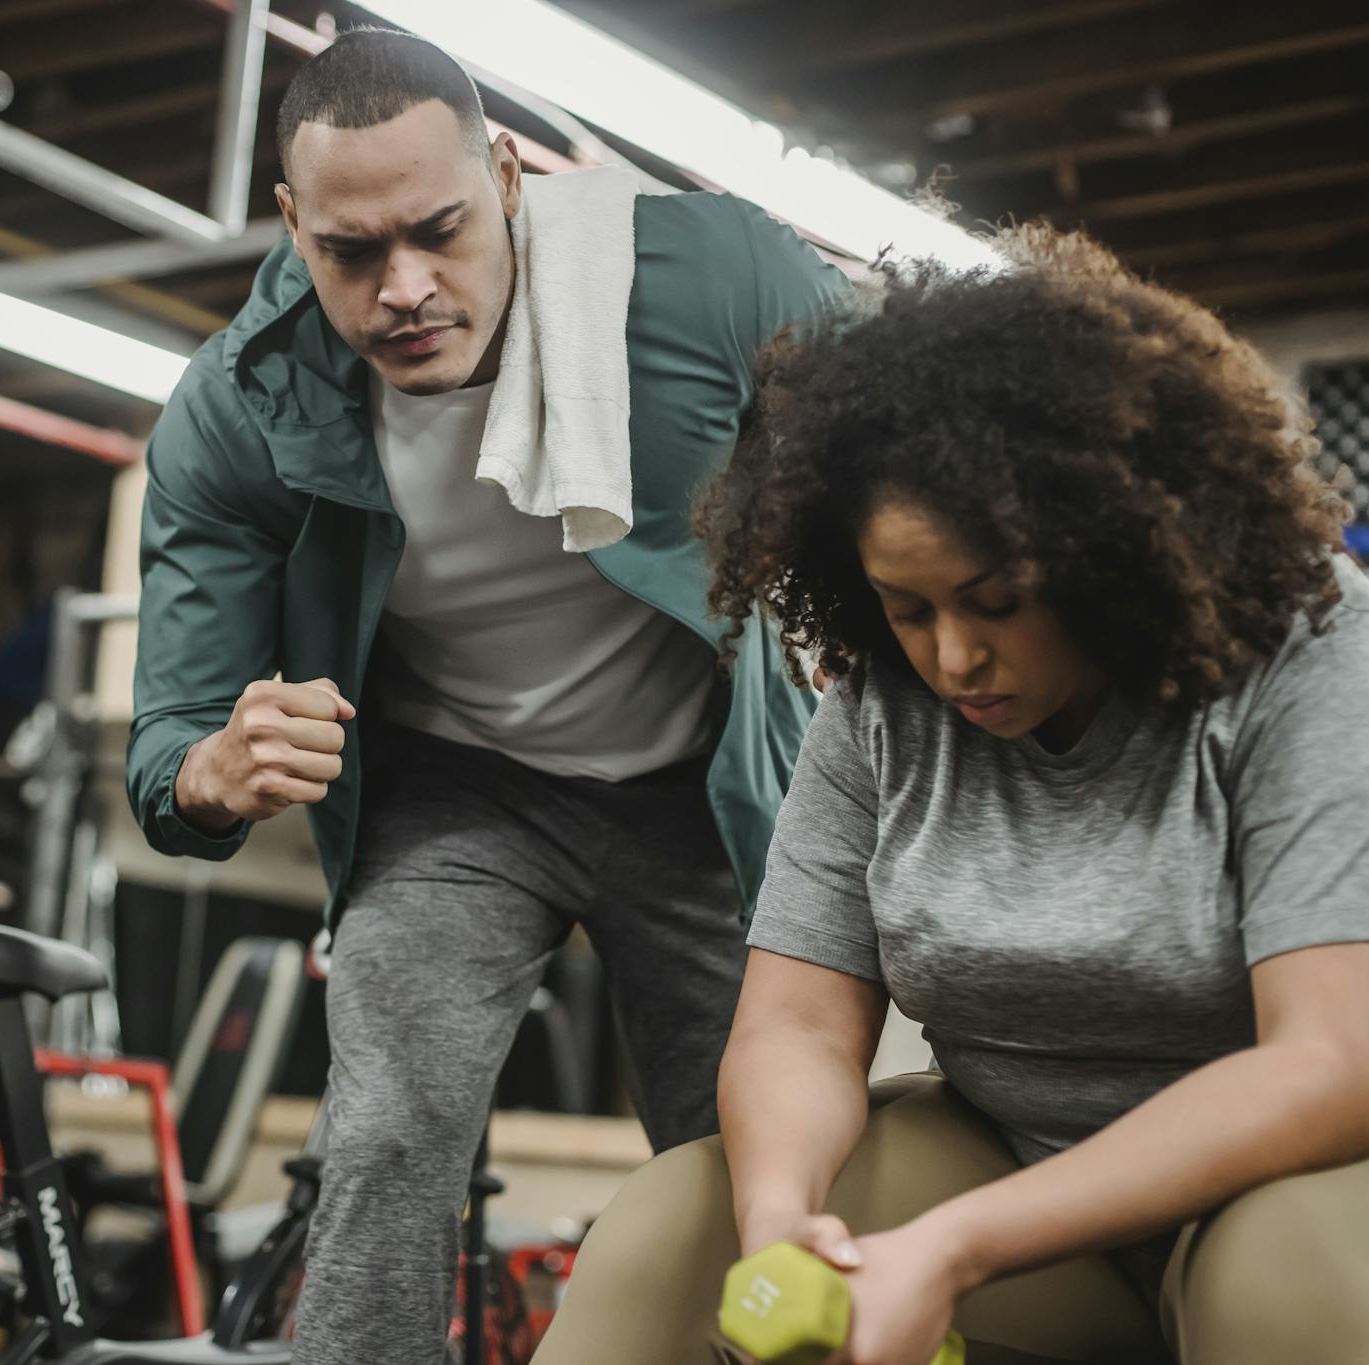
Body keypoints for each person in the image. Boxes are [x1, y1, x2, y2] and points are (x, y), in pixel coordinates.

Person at [532, 227, 1369, 1365]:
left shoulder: (1303, 641)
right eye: (905, 609)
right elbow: (799, 1028)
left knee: (1280, 1279)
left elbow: (1334, 1074)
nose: (952, 657)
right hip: (1035, 1174)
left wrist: (956, 1246)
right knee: (673, 1229)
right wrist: (779, 1234)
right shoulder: (879, 697)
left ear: (1103, 550)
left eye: (994, 599)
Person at [123, 27, 853, 1364]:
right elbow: (166, 748)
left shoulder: (707, 276)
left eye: (438, 231)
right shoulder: (238, 411)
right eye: (349, 252)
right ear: (291, 224)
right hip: (459, 792)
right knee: (388, 1126)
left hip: (701, 786)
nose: (403, 287)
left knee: (750, 1157)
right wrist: (209, 773)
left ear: (508, 175)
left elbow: (916, 436)